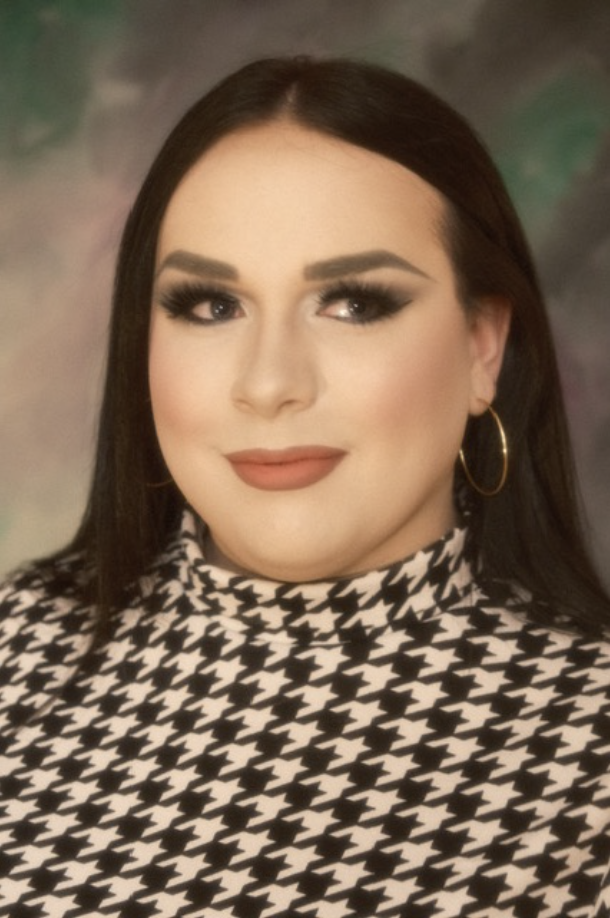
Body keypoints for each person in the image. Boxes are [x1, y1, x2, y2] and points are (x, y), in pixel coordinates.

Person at [1, 56, 609, 918]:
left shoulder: (589, 745)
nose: (269, 383)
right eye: (211, 306)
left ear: (483, 346)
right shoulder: (18, 645)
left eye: (353, 303)